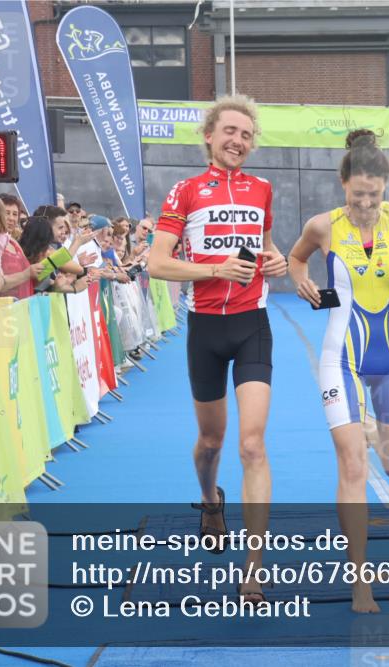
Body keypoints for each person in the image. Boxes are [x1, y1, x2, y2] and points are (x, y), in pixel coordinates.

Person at [288, 129, 389, 613]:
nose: (367, 205)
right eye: (359, 196)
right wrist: (302, 282)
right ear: (343, 185)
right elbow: (295, 259)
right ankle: (360, 582)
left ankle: (371, 425)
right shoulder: (323, 225)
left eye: (374, 196)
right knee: (353, 463)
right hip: (342, 355)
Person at [147, 94, 288, 606]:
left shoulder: (263, 189)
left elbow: (269, 245)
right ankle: (210, 500)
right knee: (211, 443)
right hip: (205, 329)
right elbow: (157, 264)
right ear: (209, 135)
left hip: (252, 323)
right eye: (230, 131)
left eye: (247, 135)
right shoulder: (184, 191)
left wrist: (273, 262)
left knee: (253, 445)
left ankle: (253, 568)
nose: (239, 141)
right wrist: (213, 269)